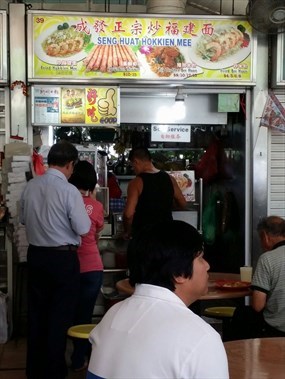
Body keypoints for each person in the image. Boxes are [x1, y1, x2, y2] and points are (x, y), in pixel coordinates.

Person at [86, 220, 229, 379]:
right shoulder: (201, 338)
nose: (207, 266)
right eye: (201, 258)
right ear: (179, 274)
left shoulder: (113, 314)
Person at [20, 141, 91, 379]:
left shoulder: (30, 186)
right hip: (63, 259)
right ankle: (54, 373)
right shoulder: (69, 190)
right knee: (59, 319)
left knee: (37, 317)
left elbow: (22, 219)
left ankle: (35, 372)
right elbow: (82, 227)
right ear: (70, 165)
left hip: (36, 256)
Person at [68, 160, 105, 371]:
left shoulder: (66, 201)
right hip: (92, 266)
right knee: (85, 315)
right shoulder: (97, 206)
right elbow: (98, 231)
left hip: (70, 265)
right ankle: (81, 359)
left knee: (69, 313)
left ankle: (75, 357)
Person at [230, 215, 285, 340]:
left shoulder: (267, 258)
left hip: (276, 328)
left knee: (241, 314)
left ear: (265, 236)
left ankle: (234, 354)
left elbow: (257, 305)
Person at [123, 147, 187, 238]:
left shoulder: (136, 182)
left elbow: (128, 214)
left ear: (136, 161)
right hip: (166, 234)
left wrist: (127, 231)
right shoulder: (169, 178)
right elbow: (183, 204)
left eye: (132, 165)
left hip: (144, 236)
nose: (133, 169)